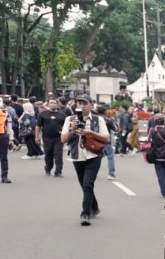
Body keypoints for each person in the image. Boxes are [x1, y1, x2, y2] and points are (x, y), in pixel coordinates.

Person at [60, 95, 110, 225]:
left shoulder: (97, 120)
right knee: (84, 185)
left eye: (84, 103)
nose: (81, 106)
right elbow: (63, 139)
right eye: (79, 103)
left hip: (94, 155)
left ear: (91, 105)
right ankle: (95, 207)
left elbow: (106, 138)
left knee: (88, 184)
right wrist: (72, 129)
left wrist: (90, 132)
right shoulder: (69, 119)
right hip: (77, 156)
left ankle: (85, 213)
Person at [36, 98, 66, 176]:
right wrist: (37, 136)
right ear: (48, 104)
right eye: (51, 103)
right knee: (48, 154)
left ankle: (58, 171)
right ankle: (48, 168)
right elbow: (38, 126)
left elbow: (66, 127)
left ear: (57, 104)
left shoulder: (62, 115)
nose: (53, 104)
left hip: (58, 138)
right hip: (47, 137)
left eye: (54, 103)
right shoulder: (43, 114)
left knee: (58, 154)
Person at [96, 106, 118, 180]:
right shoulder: (108, 121)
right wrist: (113, 122)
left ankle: (94, 172)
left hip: (96, 140)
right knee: (110, 157)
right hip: (106, 140)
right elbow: (116, 129)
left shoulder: (94, 120)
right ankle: (111, 174)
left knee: (96, 157)